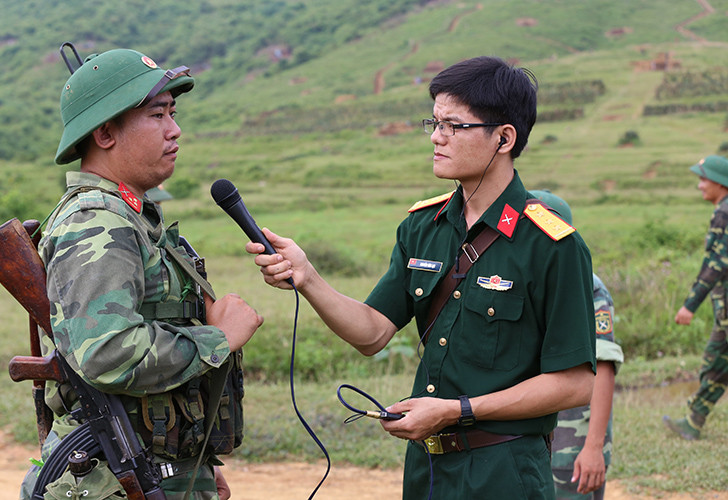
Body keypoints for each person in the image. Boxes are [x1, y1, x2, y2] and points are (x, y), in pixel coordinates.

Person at [246, 56, 596, 499]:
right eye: (433, 123)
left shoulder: (550, 245)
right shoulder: (422, 227)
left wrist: (457, 410)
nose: (436, 137)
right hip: (427, 468)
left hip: (504, 470)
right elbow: (372, 333)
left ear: (504, 138)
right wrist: (308, 276)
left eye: (453, 126)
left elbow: (576, 382)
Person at [19, 46, 263, 500]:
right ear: (106, 132)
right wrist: (220, 339)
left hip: (153, 470)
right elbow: (108, 352)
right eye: (157, 115)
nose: (175, 131)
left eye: (173, 113)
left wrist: (194, 462)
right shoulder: (97, 222)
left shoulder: (132, 218)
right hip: (114, 480)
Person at [530, 190, 624, 500]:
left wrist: (593, 447)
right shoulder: (524, 280)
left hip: (574, 442)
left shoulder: (590, 289)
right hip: (530, 439)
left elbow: (604, 368)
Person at [665, 154, 728, 441]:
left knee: (715, 360)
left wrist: (690, 305)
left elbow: (718, 262)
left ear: (719, 182)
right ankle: (694, 419)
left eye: (703, 179)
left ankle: (694, 419)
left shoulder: (724, 212)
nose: (700, 186)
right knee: (717, 363)